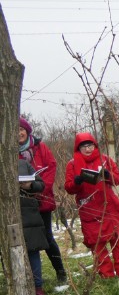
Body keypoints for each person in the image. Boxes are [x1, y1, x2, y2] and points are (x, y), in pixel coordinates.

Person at [64, 133, 119, 278]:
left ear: (95, 145)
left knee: (118, 241)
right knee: (98, 245)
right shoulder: (72, 164)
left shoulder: (105, 159)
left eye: (90, 145)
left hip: (110, 207)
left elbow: (117, 179)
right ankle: (106, 275)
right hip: (89, 210)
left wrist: (108, 174)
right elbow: (69, 187)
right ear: (78, 148)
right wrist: (77, 182)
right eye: (84, 146)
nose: (87, 149)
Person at [18, 117, 68, 283]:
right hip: (21, 205)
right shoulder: (8, 151)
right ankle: (30, 278)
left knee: (47, 237)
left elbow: (51, 166)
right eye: (15, 130)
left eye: (21, 129)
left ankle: (60, 270)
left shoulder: (40, 147)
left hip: (42, 201)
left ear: (27, 130)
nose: (19, 133)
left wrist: (39, 188)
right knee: (24, 240)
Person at [19, 157, 49, 295]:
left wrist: (29, 186)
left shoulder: (23, 163)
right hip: (9, 215)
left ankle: (38, 287)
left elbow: (40, 185)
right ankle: (18, 287)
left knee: (33, 252)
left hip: (29, 214)